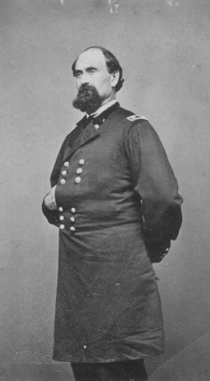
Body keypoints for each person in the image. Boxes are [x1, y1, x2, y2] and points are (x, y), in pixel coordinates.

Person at [42, 46, 183, 381]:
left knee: (118, 367)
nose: (83, 80)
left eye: (92, 71)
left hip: (118, 275)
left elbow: (164, 199)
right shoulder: (77, 134)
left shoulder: (133, 128)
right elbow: (60, 196)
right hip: (79, 276)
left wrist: (145, 250)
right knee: (88, 368)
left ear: (115, 76)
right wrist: (49, 201)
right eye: (78, 73)